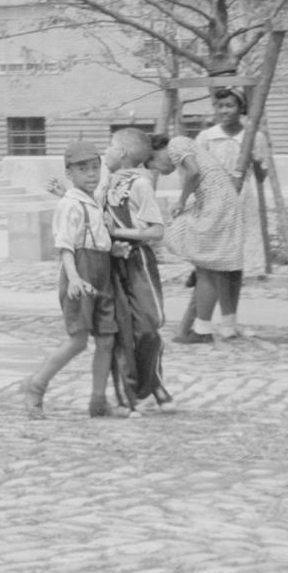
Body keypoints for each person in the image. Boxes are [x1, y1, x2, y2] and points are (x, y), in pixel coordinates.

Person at [165, 85, 270, 342]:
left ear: (240, 108)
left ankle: (229, 322)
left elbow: (261, 176)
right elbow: (195, 171)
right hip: (213, 202)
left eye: (230, 106)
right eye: (220, 106)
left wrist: (255, 161)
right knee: (217, 260)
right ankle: (203, 323)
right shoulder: (206, 137)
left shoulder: (253, 136)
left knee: (235, 263)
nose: (224, 111)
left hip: (241, 200)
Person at [23, 140, 117, 420]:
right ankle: (36, 386)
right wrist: (74, 278)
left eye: (94, 167)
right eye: (83, 169)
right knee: (77, 340)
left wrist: (115, 247)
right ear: (70, 173)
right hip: (80, 273)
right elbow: (65, 246)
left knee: (107, 339)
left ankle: (98, 401)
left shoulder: (91, 202)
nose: (90, 174)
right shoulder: (69, 204)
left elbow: (98, 239)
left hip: (102, 273)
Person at [101, 128, 171, 411]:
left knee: (149, 326)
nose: (105, 151)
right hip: (111, 261)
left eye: (109, 145)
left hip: (137, 261)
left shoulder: (141, 184)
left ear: (122, 152)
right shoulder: (105, 181)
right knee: (121, 330)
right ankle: (130, 394)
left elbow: (155, 231)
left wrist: (119, 231)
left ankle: (153, 381)